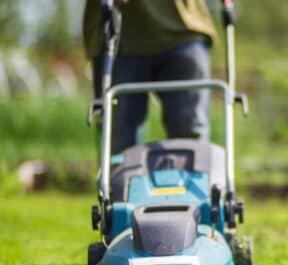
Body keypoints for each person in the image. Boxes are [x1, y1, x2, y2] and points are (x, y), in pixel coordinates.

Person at [83, 0, 218, 155]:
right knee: (118, 144)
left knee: (190, 135)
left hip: (183, 28)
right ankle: (118, 178)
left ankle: (191, 178)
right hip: (115, 33)